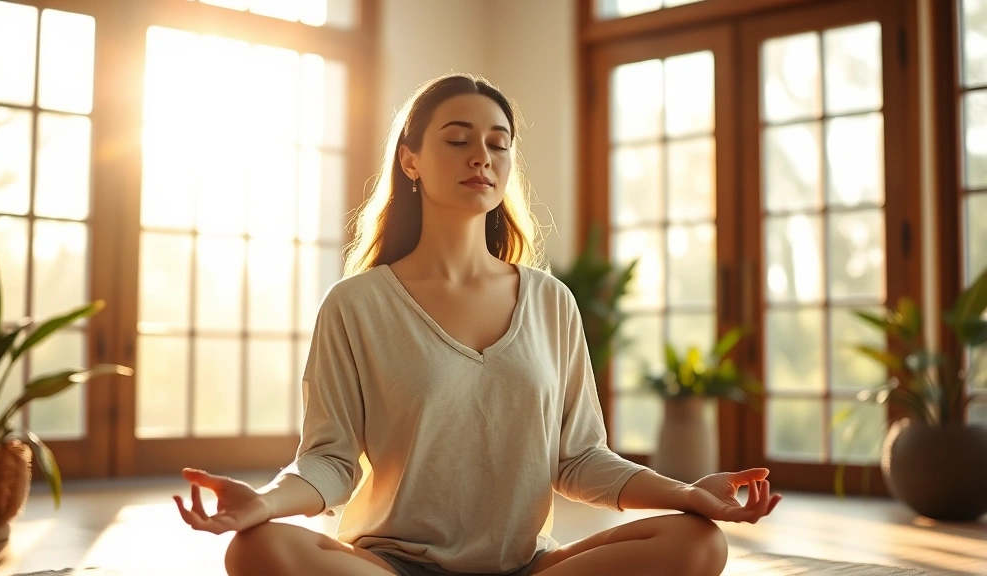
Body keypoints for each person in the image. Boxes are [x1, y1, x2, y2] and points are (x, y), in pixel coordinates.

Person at [174, 74, 781, 576]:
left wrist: (687, 494)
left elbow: (579, 459)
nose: (481, 157)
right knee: (258, 550)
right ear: (410, 160)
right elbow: (329, 462)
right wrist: (264, 504)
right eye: (458, 140)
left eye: (498, 143)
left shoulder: (551, 301)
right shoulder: (355, 304)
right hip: (391, 566)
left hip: (523, 566)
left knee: (699, 543)